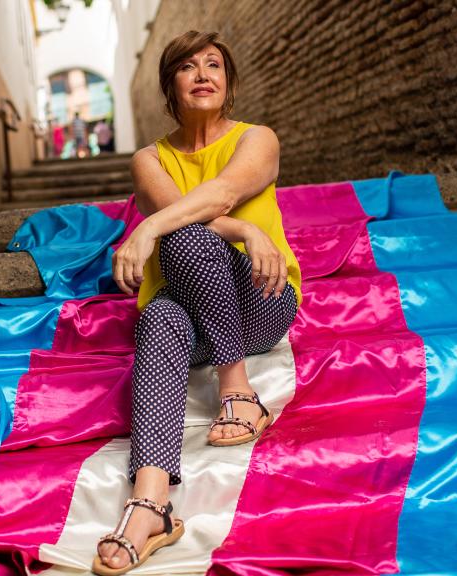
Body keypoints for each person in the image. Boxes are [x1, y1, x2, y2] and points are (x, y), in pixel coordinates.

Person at [93, 30, 302, 575]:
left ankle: (238, 389)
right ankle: (151, 505)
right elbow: (193, 215)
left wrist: (144, 232)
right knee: (161, 309)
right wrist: (246, 232)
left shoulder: (258, 139)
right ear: (172, 87)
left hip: (261, 298)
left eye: (214, 64)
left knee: (181, 234)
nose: (203, 73)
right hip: (188, 313)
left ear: (227, 83)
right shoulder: (149, 159)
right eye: (188, 67)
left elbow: (221, 195)